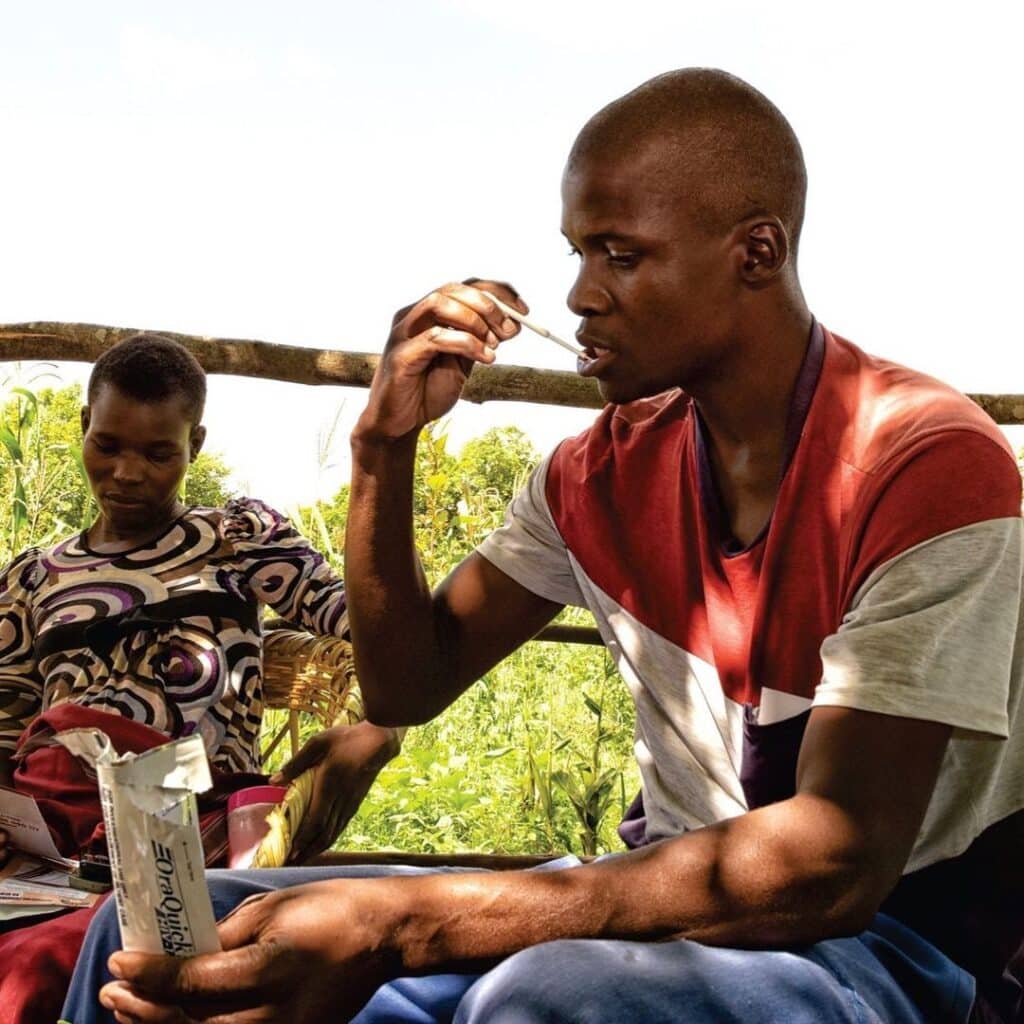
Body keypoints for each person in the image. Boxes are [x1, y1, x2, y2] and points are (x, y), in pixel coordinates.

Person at [72, 68, 1022, 1024]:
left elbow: (834, 864)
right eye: (577, 253)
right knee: (154, 926)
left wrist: (415, 921)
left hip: (884, 946)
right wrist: (382, 448)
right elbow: (408, 685)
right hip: (651, 909)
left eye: (619, 255)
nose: (579, 296)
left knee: (550, 997)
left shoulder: (923, 467)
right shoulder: (598, 475)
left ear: (756, 252)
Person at [0, 334, 401, 1022]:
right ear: (82, 430)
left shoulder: (235, 539)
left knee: (70, 959)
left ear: (197, 443)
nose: (127, 472)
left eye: (159, 453)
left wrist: (382, 726)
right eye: (108, 445)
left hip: (193, 828)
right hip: (62, 840)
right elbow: (9, 732)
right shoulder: (34, 578)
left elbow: (366, 628)